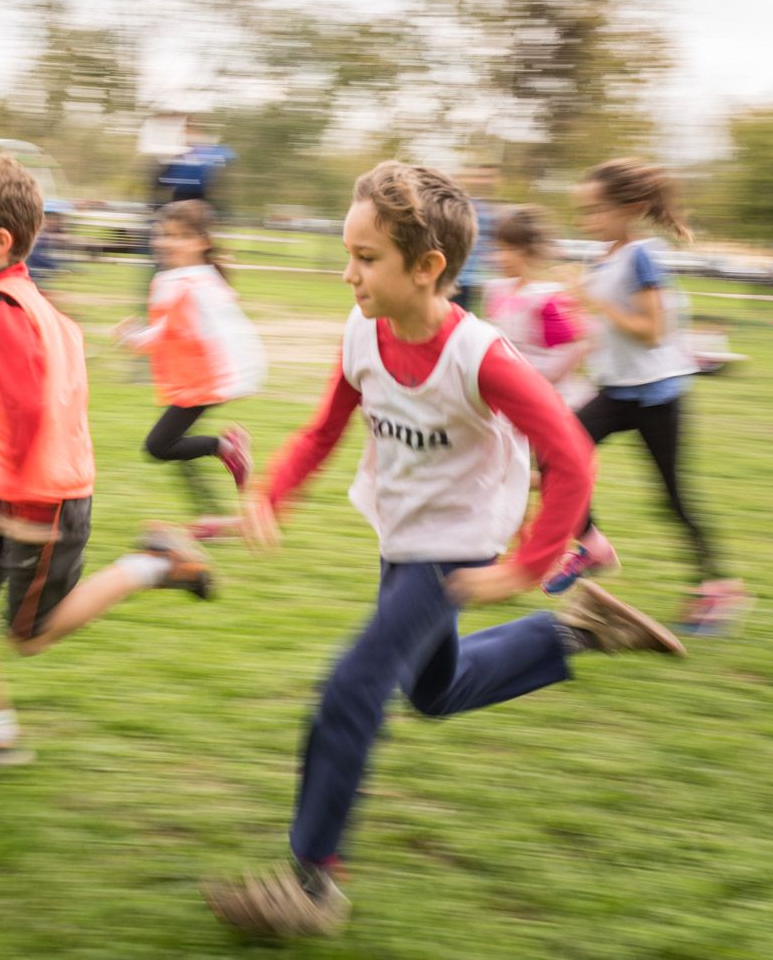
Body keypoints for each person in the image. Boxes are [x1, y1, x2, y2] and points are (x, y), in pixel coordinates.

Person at [202, 161, 687, 938]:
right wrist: (273, 492)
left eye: (366, 258)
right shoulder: (363, 331)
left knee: (351, 688)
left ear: (428, 268)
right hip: (403, 543)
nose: (347, 272)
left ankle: (312, 888)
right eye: (349, 252)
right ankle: (579, 631)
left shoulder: (481, 357)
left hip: (456, 553)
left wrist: (527, 565)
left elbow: (571, 454)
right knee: (433, 691)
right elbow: (325, 428)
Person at [0, 155, 213, 770]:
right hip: (29, 485)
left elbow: (32, 403)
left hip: (40, 501)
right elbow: (42, 399)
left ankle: (154, 563)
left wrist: (23, 498)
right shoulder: (28, 302)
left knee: (29, 635)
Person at [545, 158, 748, 634]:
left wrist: (592, 301)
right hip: (615, 391)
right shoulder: (602, 258)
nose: (587, 220)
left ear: (630, 208)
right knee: (557, 455)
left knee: (672, 498)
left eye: (595, 210)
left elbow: (653, 332)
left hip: (656, 397)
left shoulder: (643, 256)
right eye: (584, 211)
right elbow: (604, 329)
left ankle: (719, 588)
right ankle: (591, 545)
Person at [116, 200, 265, 531]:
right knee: (177, 444)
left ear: (202, 241)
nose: (169, 242)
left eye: (181, 236)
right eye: (166, 235)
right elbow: (175, 331)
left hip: (206, 380)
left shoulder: (188, 284)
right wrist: (136, 337)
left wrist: (133, 338)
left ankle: (227, 448)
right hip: (201, 379)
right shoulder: (192, 279)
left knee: (159, 446)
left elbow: (174, 332)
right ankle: (210, 514)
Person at [483, 204, 593, 408]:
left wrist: (527, 379)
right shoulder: (496, 290)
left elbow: (575, 348)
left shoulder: (546, 299)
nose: (500, 257)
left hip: (549, 401)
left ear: (529, 251)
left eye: (509, 249)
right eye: (498, 248)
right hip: (511, 397)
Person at [449, 162, 499, 313]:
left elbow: (489, 249)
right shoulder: (454, 208)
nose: (480, 181)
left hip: (472, 282)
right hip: (452, 278)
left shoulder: (489, 212)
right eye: (476, 176)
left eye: (486, 177)